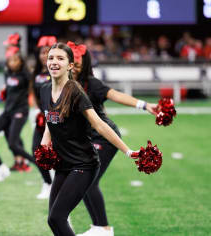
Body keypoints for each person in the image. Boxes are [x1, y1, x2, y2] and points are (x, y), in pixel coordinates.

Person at [39, 43, 138, 236]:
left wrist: (128, 151)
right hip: (63, 164)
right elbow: (49, 122)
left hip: (83, 165)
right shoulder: (44, 90)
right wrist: (44, 146)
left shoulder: (75, 92)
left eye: (60, 58)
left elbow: (100, 125)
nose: (54, 62)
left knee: (57, 218)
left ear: (70, 65)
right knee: (54, 219)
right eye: (51, 58)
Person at [66, 41, 157, 236]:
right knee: (85, 182)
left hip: (104, 137)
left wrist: (144, 105)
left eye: (78, 64)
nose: (73, 67)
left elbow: (115, 95)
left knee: (88, 181)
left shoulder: (92, 83)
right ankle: (99, 228)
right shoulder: (65, 83)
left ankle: (104, 229)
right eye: (71, 62)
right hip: (88, 138)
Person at [0, 48, 34, 182]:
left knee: (13, 143)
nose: (12, 63)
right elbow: (7, 92)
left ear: (21, 61)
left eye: (15, 60)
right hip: (7, 111)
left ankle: (37, 164)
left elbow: (32, 87)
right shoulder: (7, 74)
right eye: (10, 60)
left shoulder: (26, 75)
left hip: (20, 112)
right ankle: (1, 167)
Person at [31, 36, 57, 199]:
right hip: (42, 119)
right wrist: (36, 108)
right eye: (42, 52)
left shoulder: (56, 70)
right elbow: (33, 92)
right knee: (36, 151)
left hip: (56, 118)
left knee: (61, 155)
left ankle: (65, 188)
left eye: (47, 52)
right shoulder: (37, 72)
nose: (44, 55)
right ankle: (47, 183)